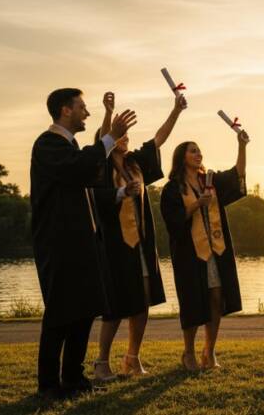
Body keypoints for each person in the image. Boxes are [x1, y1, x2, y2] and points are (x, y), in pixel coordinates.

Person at [30, 88, 136, 400]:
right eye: (82, 107)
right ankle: (48, 385)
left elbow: (88, 177)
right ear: (65, 110)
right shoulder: (48, 144)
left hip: (82, 243)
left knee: (84, 310)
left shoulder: (72, 147)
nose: (86, 113)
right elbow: (78, 168)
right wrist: (109, 136)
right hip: (58, 244)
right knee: (60, 313)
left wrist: (118, 192)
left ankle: (73, 379)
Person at [91, 91, 186, 380]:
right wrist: (108, 112)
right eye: (117, 134)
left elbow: (158, 139)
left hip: (142, 244)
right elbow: (100, 148)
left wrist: (176, 110)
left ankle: (132, 358)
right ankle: (102, 362)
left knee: (142, 300)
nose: (124, 137)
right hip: (115, 245)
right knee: (117, 305)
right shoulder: (101, 166)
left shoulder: (135, 163)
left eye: (125, 134)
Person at [160, 130, 249, 371]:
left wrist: (242, 146)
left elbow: (238, 175)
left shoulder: (210, 182)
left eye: (199, 150)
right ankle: (188, 353)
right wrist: (197, 205)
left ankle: (209, 352)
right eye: (192, 150)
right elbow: (173, 220)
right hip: (190, 254)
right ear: (182, 158)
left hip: (216, 251)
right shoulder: (172, 189)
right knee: (192, 302)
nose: (198, 154)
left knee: (217, 297)